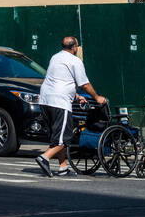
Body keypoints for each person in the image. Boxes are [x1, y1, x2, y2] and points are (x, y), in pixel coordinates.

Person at [36, 36, 106, 178]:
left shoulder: (55, 57)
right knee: (65, 137)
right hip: (59, 103)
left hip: (45, 100)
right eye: (77, 46)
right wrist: (97, 97)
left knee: (57, 136)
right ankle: (44, 157)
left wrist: (75, 96)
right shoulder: (75, 61)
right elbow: (84, 84)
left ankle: (63, 167)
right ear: (74, 47)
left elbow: (60, 79)